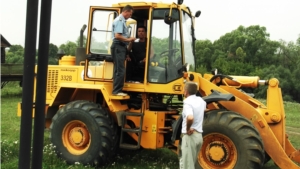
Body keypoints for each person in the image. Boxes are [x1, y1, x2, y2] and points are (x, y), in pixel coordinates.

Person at [179, 82, 206, 169]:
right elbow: (203, 110)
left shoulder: (187, 102)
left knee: (187, 166)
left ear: (186, 91)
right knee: (186, 163)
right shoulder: (201, 101)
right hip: (199, 137)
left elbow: (190, 118)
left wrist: (187, 129)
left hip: (190, 137)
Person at [111, 5, 136, 96]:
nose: (130, 15)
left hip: (120, 47)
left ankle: (117, 89)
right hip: (118, 46)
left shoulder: (122, 21)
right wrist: (129, 40)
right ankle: (117, 91)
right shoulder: (119, 21)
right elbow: (117, 36)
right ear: (126, 11)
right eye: (130, 13)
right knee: (120, 70)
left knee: (119, 69)